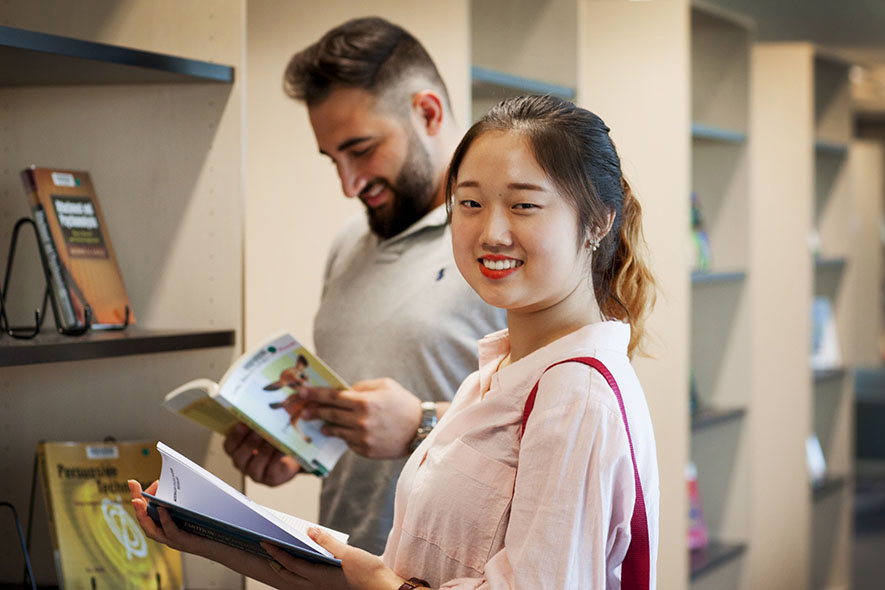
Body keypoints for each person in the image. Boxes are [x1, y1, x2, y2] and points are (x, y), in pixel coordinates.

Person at [129, 94, 661, 589]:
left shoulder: (576, 395)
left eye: (523, 206)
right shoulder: (496, 375)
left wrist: (382, 584)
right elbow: (413, 572)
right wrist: (214, 536)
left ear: (597, 221)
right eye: (470, 203)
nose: (491, 232)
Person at [221, 16, 506, 555]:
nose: (348, 183)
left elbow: (557, 423)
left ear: (427, 113)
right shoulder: (349, 244)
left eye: (361, 149)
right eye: (333, 159)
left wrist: (423, 425)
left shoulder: (503, 243)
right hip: (341, 565)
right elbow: (366, 431)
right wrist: (300, 449)